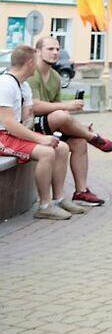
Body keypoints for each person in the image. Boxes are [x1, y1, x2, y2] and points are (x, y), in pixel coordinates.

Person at [0, 46, 87, 220]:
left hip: (14, 134)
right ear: (30, 63)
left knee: (61, 147)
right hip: (3, 136)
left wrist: (40, 134)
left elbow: (27, 118)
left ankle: (59, 199)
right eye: (36, 60)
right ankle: (44, 206)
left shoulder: (24, 85)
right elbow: (8, 123)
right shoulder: (5, 84)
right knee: (46, 153)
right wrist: (39, 139)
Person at [28, 35, 112, 206]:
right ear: (37, 51)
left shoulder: (55, 76)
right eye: (50, 49)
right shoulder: (32, 74)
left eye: (57, 49)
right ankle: (93, 137)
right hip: (29, 126)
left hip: (49, 125)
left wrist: (77, 127)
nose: (55, 52)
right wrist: (67, 106)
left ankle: (81, 192)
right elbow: (35, 107)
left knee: (79, 142)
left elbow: (56, 108)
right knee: (61, 115)